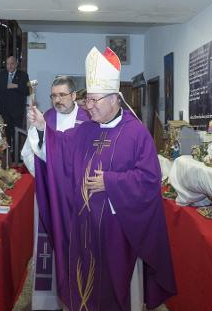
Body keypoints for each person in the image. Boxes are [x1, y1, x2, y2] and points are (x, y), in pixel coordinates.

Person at [28, 47, 176, 311]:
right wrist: (42, 129)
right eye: (88, 100)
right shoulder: (86, 130)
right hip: (84, 228)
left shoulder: (136, 133)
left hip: (117, 232)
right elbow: (60, 149)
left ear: (114, 98)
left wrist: (111, 182)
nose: (89, 107)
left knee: (115, 292)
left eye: (95, 100)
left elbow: (149, 180)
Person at [21, 76, 89, 310]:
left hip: (82, 197)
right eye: (53, 96)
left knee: (84, 248)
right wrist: (39, 131)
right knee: (57, 245)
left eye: (62, 95)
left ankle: (86, 295)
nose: (57, 100)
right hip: (54, 195)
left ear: (74, 95)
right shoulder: (47, 118)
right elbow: (30, 154)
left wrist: (45, 133)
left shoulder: (87, 119)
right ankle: (59, 298)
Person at [0, 56, 30, 159]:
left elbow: (28, 91)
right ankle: (7, 157)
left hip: (17, 111)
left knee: (16, 134)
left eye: (12, 63)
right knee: (6, 135)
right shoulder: (1, 75)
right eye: (8, 64)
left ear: (16, 64)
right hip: (4, 111)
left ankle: (16, 157)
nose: (10, 66)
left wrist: (16, 86)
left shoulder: (23, 75)